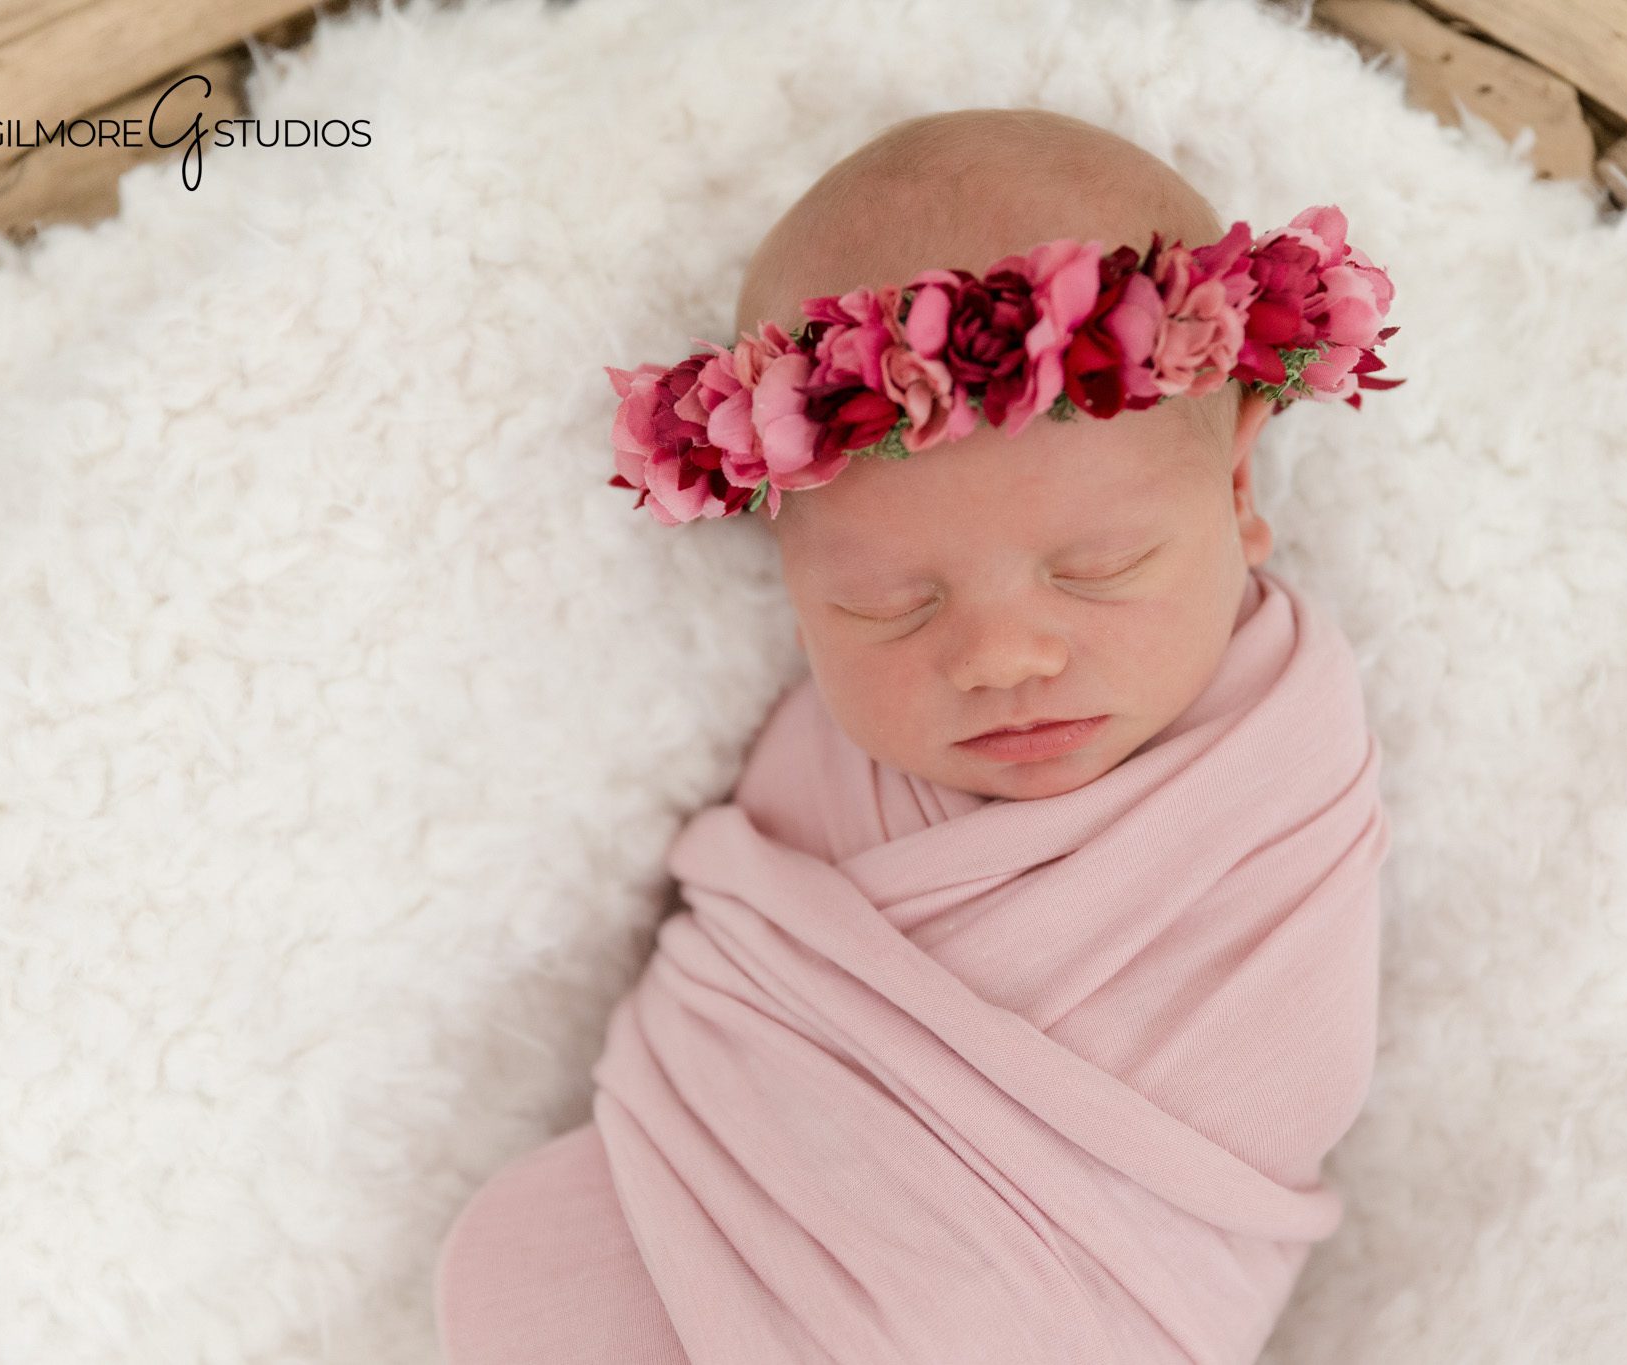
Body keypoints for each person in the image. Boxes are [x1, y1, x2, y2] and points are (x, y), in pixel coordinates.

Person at [435, 105, 1397, 1363]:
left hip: (1071, 1300)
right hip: (722, 1209)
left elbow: (1280, 1083)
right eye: (888, 605)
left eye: (1098, 569)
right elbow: (739, 1014)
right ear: (790, 582)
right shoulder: (833, 765)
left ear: (1233, 489)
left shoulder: (1275, 776)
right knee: (530, 1258)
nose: (1000, 658)